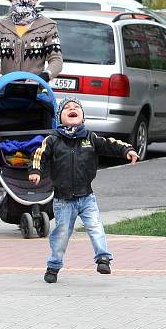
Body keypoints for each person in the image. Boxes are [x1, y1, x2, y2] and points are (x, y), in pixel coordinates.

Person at [29, 96, 139, 283]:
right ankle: (54, 265)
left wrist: (126, 150)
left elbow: (111, 144)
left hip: (87, 197)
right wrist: (35, 170)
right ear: (59, 117)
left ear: (82, 117)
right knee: (62, 234)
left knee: (96, 227)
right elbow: (38, 154)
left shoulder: (90, 138)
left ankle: (103, 258)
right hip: (63, 200)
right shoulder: (52, 140)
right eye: (67, 108)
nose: (72, 109)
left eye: (76, 107)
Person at [0, 0, 62, 83]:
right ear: (11, 0)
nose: (21, 1)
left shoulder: (48, 26)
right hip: (5, 88)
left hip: (35, 90)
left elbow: (56, 59)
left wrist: (44, 77)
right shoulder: (0, 26)